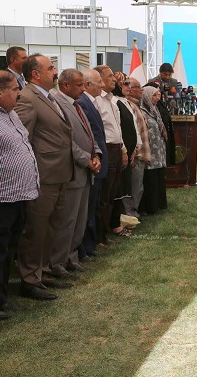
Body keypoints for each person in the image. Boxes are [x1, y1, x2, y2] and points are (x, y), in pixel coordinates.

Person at [15, 54, 74, 300]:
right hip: (43, 174)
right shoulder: (27, 98)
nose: (55, 71)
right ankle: (30, 279)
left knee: (51, 226)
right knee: (36, 229)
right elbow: (22, 139)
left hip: (59, 172)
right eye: (50, 68)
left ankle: (43, 270)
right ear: (35, 74)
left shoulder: (49, 96)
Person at [0, 70, 39, 319]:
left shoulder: (10, 114)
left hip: (18, 196)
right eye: (14, 89)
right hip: (0, 198)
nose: (19, 93)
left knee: (8, 249)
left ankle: (2, 298)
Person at [51, 69, 101, 277]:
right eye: (79, 85)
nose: (83, 88)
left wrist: (96, 153)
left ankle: (71, 258)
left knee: (80, 219)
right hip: (73, 171)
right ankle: (57, 263)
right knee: (67, 221)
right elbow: (65, 141)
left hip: (86, 171)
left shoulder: (76, 104)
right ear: (65, 86)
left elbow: (89, 134)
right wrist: (86, 159)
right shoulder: (57, 104)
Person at [93, 65, 127, 246]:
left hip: (116, 149)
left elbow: (117, 129)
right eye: (110, 76)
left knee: (112, 194)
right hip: (105, 149)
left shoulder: (112, 101)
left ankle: (104, 232)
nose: (114, 79)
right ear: (99, 79)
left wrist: (123, 150)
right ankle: (98, 237)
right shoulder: (96, 101)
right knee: (103, 195)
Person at [77, 69, 108, 260]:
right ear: (88, 84)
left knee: (95, 204)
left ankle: (91, 244)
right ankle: (85, 247)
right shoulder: (82, 103)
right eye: (99, 82)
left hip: (98, 158)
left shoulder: (91, 102)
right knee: (88, 208)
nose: (102, 85)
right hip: (91, 163)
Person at [110, 73, 140, 236]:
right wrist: (124, 150)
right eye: (125, 83)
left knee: (123, 188)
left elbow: (133, 128)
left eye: (129, 83)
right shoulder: (114, 102)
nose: (129, 87)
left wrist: (134, 149)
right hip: (119, 153)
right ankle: (115, 223)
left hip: (128, 151)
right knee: (117, 190)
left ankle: (120, 220)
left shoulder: (124, 102)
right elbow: (118, 130)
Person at [139, 86, 168, 214]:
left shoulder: (154, 110)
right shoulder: (142, 111)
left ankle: (158, 204)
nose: (157, 98)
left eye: (158, 95)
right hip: (149, 150)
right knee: (149, 178)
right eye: (154, 95)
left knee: (158, 177)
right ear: (146, 96)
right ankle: (148, 207)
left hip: (159, 151)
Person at [125, 78, 150, 218]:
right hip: (135, 153)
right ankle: (129, 214)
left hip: (141, 153)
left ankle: (133, 212)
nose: (142, 89)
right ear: (130, 90)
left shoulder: (136, 105)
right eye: (138, 87)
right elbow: (131, 132)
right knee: (133, 186)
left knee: (138, 186)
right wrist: (133, 151)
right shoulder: (128, 105)